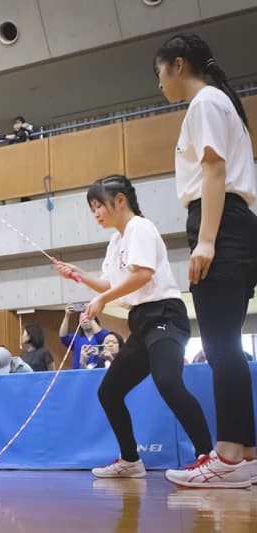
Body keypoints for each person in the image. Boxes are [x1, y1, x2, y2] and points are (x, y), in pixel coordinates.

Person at [56, 175, 213, 481]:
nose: (96, 213)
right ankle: (130, 460)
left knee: (168, 381)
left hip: (165, 314)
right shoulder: (116, 241)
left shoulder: (140, 227)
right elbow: (110, 282)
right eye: (92, 209)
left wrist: (102, 299)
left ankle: (206, 455)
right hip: (141, 321)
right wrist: (78, 275)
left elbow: (142, 275)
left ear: (120, 201)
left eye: (98, 205)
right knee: (109, 391)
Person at [153, 34, 257, 489]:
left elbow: (214, 170)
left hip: (222, 225)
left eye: (159, 72)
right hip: (230, 222)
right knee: (224, 344)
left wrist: (207, 242)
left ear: (178, 65)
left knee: (219, 345)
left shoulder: (205, 103)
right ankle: (246, 455)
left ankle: (229, 457)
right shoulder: (214, 103)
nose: (159, 83)